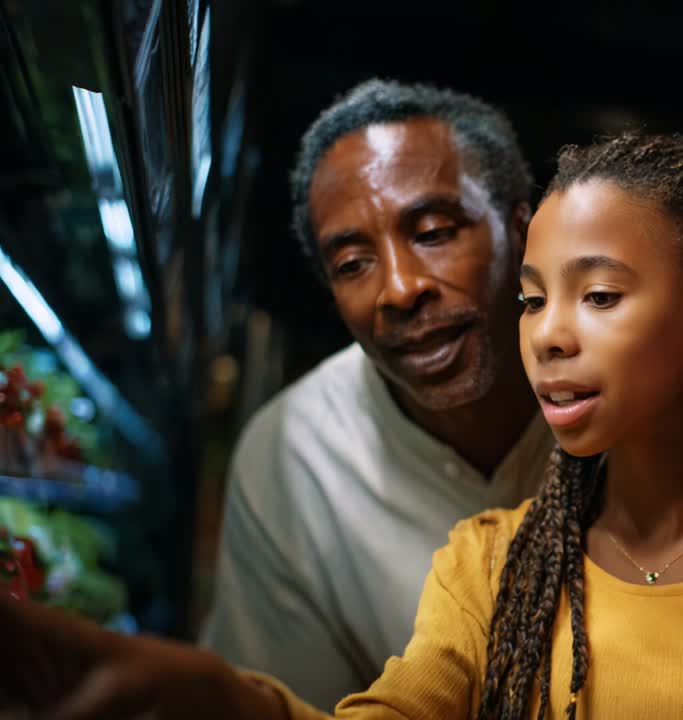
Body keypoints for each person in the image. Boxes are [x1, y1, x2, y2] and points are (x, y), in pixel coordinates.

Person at [0, 133, 683, 719]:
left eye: (601, 295)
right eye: (535, 300)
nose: (549, 334)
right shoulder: (489, 566)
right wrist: (223, 699)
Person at [200, 79, 555, 708]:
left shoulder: (652, 389)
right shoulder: (293, 457)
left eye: (436, 231)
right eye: (352, 264)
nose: (398, 289)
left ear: (525, 230)